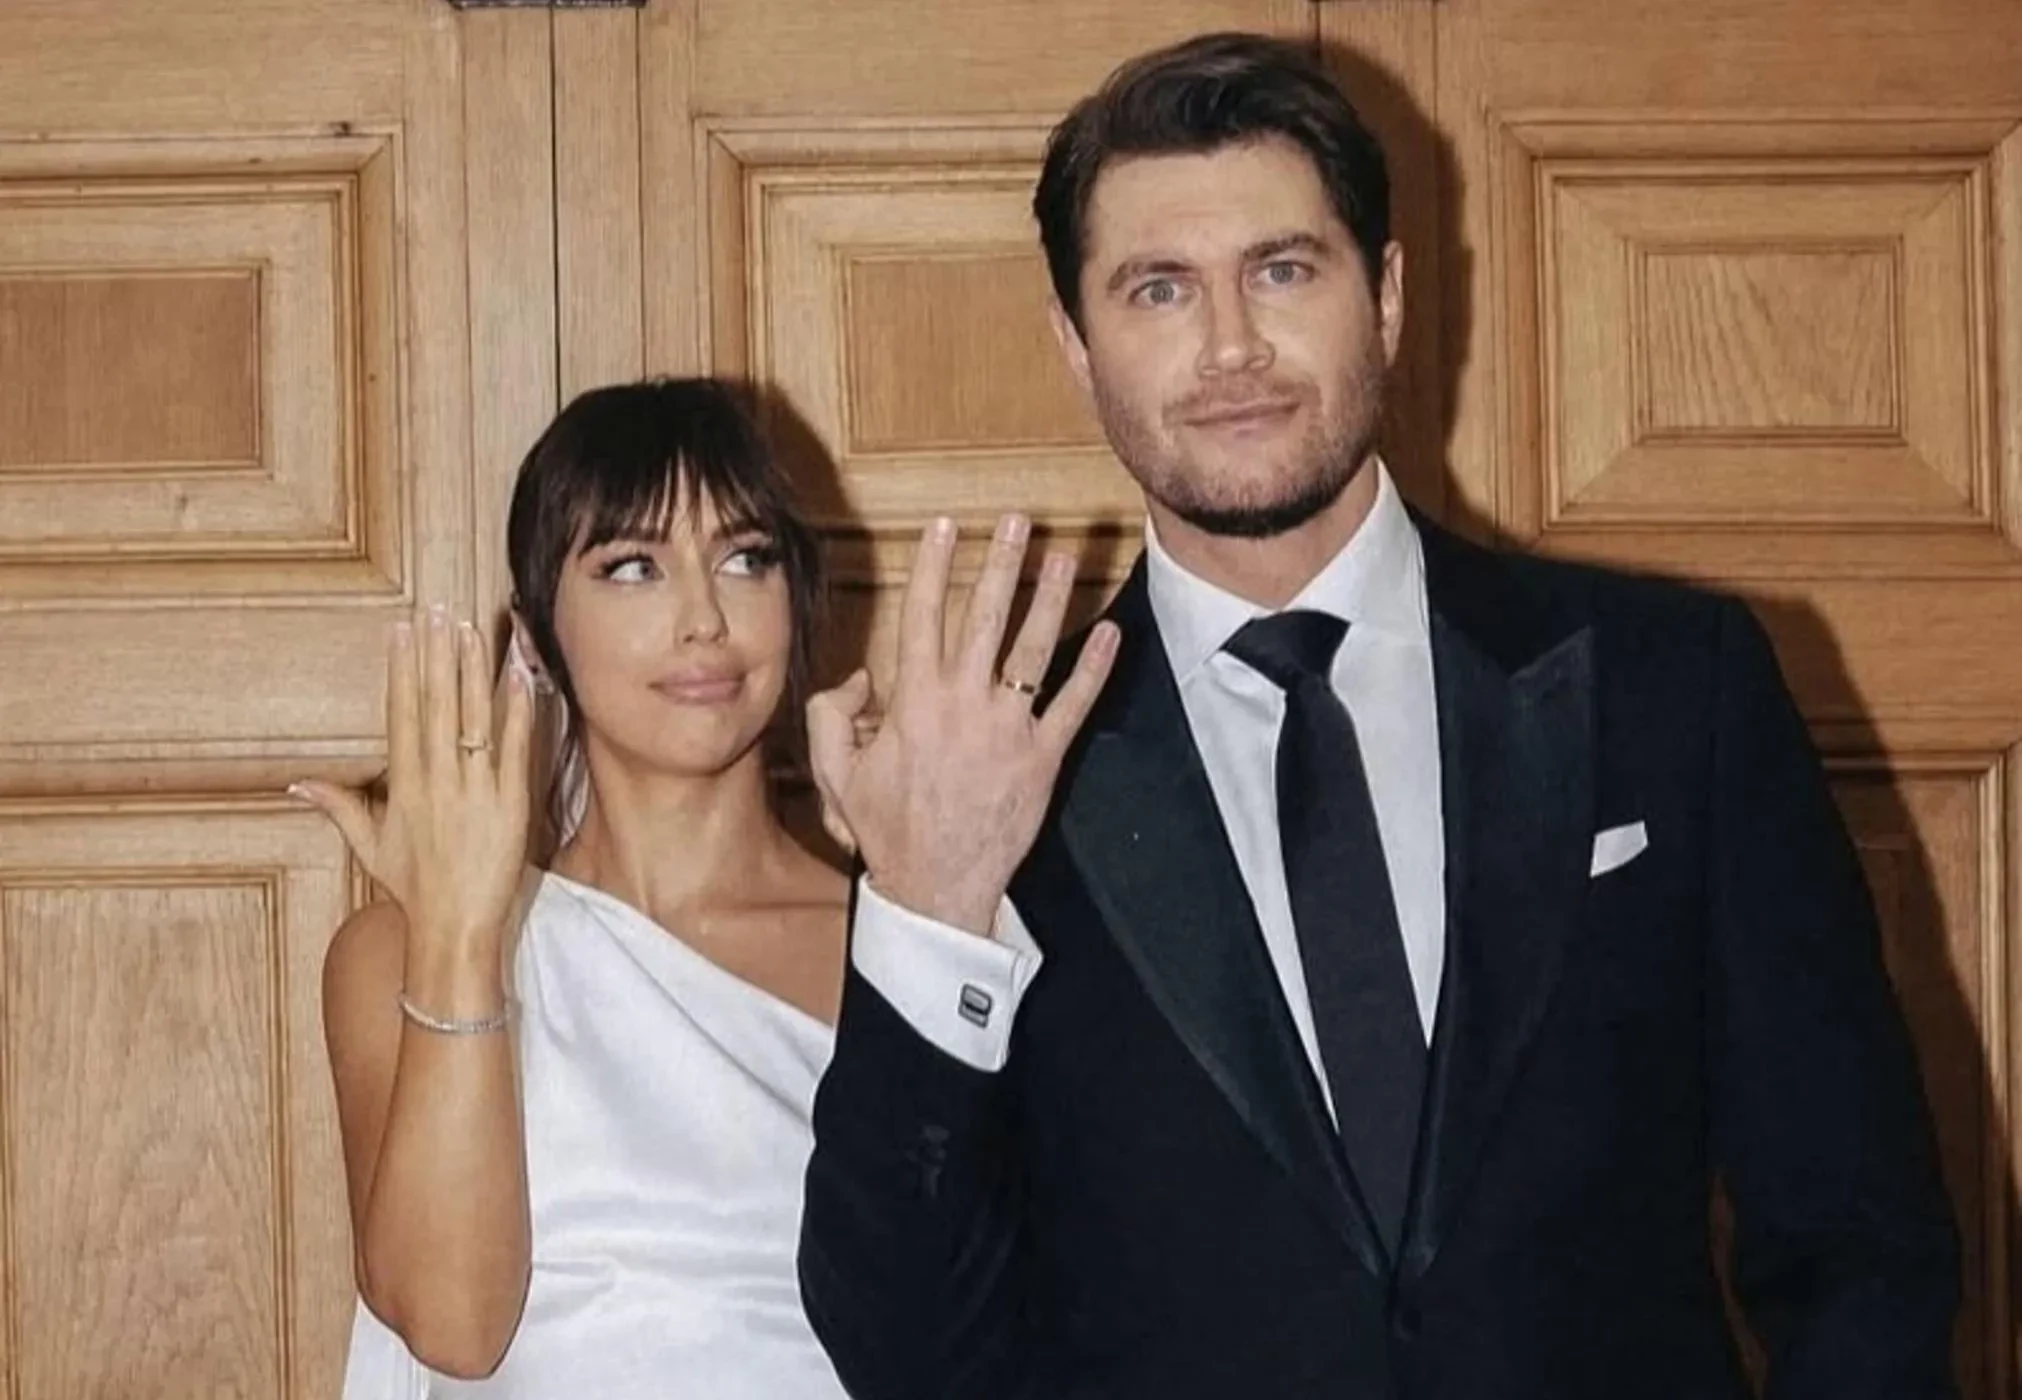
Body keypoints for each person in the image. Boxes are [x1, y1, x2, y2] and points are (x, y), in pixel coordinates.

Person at [794, 31, 1961, 1399]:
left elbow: (1859, 1248)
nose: (1230, 345)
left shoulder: (1673, 688)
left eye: (1283, 270)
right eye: (1158, 289)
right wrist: (929, 911)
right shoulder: (983, 770)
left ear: (1388, 297)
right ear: (1075, 345)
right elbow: (905, 1352)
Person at [295, 378, 853, 1398]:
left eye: (745, 558)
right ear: (536, 635)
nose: (704, 619)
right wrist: (462, 938)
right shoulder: (400, 953)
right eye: (633, 566)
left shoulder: (899, 952)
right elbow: (451, 1324)